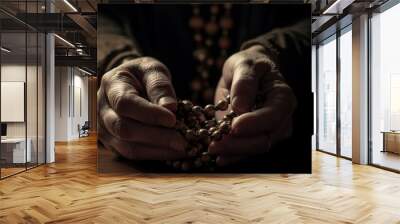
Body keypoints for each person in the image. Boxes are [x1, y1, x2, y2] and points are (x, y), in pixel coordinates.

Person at [97, 4, 311, 171]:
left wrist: (274, 55)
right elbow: (101, 16)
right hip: (141, 166)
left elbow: (318, 17)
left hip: (282, 158)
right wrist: (116, 61)